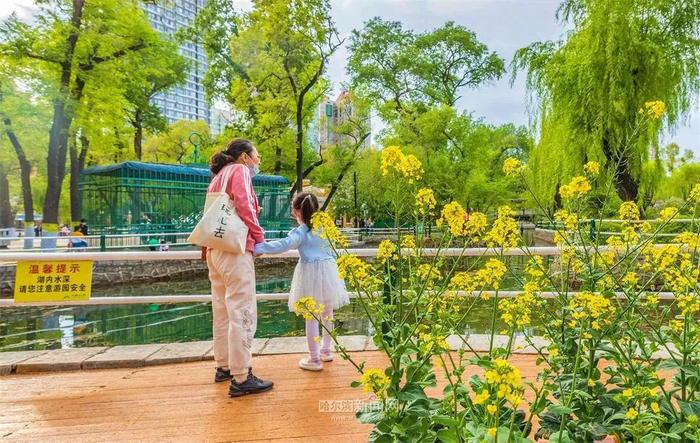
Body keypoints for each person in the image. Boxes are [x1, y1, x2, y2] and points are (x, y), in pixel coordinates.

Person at [206, 138, 273, 397]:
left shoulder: (218, 176)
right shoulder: (240, 171)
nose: (258, 161)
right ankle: (242, 375)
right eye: (256, 156)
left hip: (215, 250)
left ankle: (223, 365)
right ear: (244, 157)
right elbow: (244, 205)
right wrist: (259, 237)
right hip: (235, 250)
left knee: (222, 310)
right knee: (242, 310)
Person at [255, 193, 349, 372]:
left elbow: (283, 245)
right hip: (329, 271)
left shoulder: (301, 232)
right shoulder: (325, 228)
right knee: (327, 313)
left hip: (310, 274)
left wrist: (258, 247)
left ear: (297, 211)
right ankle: (326, 351)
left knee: (311, 316)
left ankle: (314, 359)